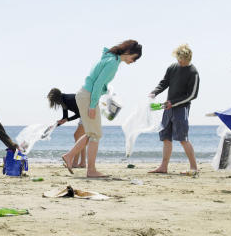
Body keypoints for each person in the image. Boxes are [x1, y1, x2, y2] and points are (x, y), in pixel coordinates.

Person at [61, 40, 143, 178]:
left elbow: (99, 82)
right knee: (95, 135)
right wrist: (93, 105)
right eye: (134, 58)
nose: (133, 61)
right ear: (128, 53)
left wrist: (104, 93)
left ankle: (69, 156)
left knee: (92, 133)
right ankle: (91, 170)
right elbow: (98, 83)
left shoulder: (109, 58)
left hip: (85, 95)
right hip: (88, 97)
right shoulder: (113, 63)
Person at [149, 44, 200, 175]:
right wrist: (155, 92)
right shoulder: (172, 68)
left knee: (183, 138)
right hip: (168, 107)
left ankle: (194, 167)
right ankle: (163, 167)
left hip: (181, 109)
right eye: (179, 60)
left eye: (184, 61)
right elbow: (164, 82)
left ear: (189, 58)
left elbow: (192, 95)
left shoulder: (193, 73)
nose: (181, 63)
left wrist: (174, 103)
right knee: (166, 137)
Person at [47, 88, 85, 167]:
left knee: (77, 136)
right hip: (85, 113)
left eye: (53, 100)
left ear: (56, 98)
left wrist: (67, 119)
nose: (54, 103)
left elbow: (79, 114)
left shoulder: (68, 100)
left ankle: (74, 163)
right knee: (81, 138)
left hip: (87, 112)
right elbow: (65, 118)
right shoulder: (63, 101)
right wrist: (53, 126)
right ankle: (83, 163)